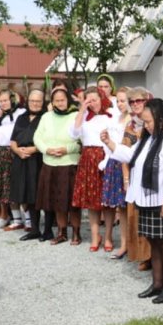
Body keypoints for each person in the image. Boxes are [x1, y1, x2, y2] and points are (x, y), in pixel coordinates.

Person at [106, 99, 163, 303]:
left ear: (160, 118)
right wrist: (110, 144)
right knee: (153, 241)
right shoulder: (149, 138)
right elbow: (132, 156)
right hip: (145, 197)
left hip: (161, 198)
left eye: (148, 121)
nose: (146, 125)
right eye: (144, 122)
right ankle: (157, 283)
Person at [70, 89, 117, 252]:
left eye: (95, 100)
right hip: (88, 158)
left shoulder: (111, 115)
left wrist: (108, 157)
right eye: (88, 100)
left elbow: (115, 137)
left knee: (107, 201)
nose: (92, 103)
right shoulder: (83, 117)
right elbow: (74, 133)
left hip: (106, 156)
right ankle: (96, 236)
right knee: (92, 201)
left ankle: (109, 235)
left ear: (101, 99)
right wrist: (81, 110)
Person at [33, 87, 81, 245]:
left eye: (63, 100)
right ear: (52, 102)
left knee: (72, 202)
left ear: (68, 100)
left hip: (69, 163)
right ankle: (61, 232)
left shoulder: (76, 115)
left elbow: (81, 141)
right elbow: (37, 137)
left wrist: (67, 149)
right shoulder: (46, 117)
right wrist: (47, 150)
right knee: (57, 201)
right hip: (50, 163)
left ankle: (76, 233)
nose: (60, 103)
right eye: (57, 100)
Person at [119, 86, 154, 264]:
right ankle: (141, 255)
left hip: (151, 175)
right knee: (135, 217)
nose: (135, 104)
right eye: (131, 102)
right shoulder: (130, 125)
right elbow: (124, 155)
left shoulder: (154, 122)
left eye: (138, 100)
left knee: (149, 215)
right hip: (134, 174)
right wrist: (126, 180)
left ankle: (151, 256)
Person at [11, 90, 48, 242]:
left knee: (39, 194)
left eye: (38, 101)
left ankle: (47, 229)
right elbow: (13, 140)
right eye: (32, 100)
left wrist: (34, 149)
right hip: (21, 159)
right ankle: (34, 229)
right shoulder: (21, 118)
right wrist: (18, 151)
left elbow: (50, 140)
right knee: (26, 194)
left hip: (38, 159)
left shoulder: (46, 118)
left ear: (43, 102)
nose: (35, 103)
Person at [0, 90, 21, 229]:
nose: (3, 103)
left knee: (9, 185)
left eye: (5, 100)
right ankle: (0, 215)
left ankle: (13, 217)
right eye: (0, 101)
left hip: (11, 151)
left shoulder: (20, 113)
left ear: (12, 100)